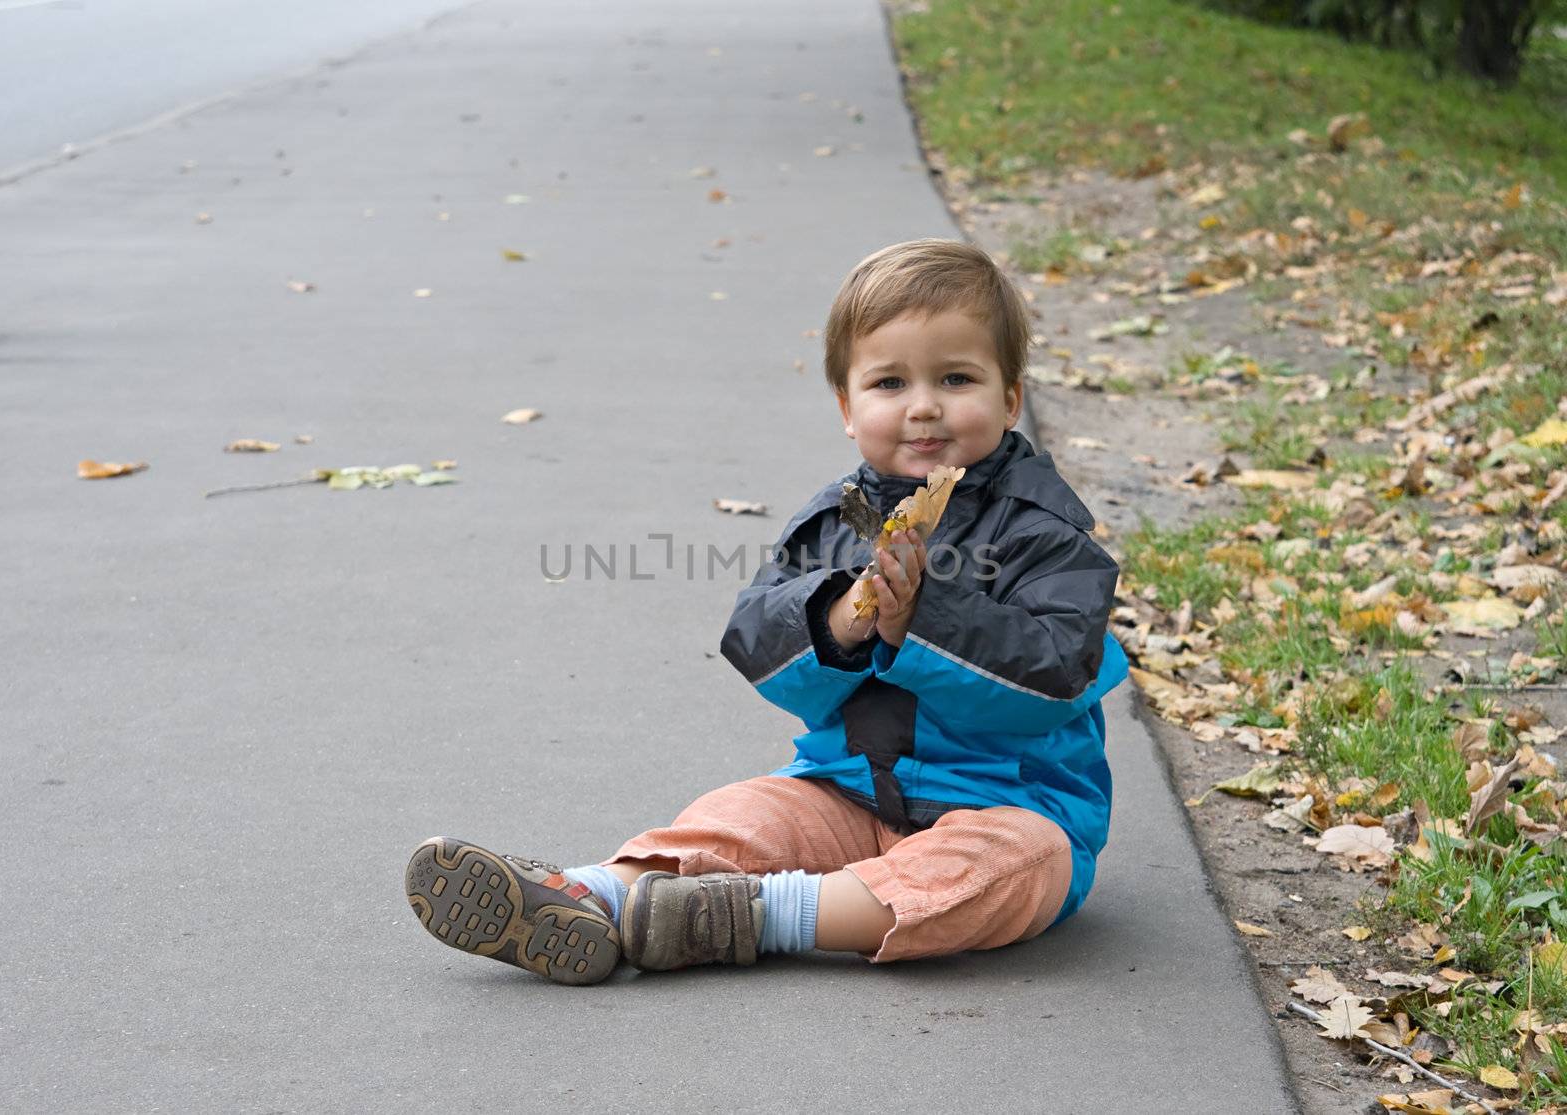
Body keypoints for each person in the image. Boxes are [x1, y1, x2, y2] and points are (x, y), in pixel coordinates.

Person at [404, 237, 1129, 985]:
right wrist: (845, 615)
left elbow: (1057, 672)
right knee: (747, 812)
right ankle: (597, 890)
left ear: (1011, 398)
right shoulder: (832, 523)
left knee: (1004, 870)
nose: (923, 405)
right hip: (848, 788)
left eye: (955, 377)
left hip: (1007, 801)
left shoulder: (1046, 533)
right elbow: (757, 637)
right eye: (888, 382)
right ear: (849, 408)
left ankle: (753, 913)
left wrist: (922, 616)